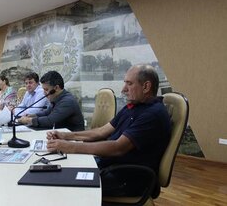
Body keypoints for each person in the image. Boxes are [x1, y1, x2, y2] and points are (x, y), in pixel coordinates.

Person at [46, 64, 171, 197]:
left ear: (146, 86)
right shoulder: (133, 106)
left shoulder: (152, 114)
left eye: (129, 84)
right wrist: (66, 136)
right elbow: (101, 132)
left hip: (129, 179)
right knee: (61, 172)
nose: (123, 89)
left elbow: (118, 148)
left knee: (64, 185)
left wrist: (69, 147)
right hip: (111, 166)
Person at [18, 71, 84, 132]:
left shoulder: (67, 101)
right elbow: (47, 112)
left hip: (73, 139)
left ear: (56, 88)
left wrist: (28, 120)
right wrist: (33, 115)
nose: (44, 93)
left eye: (46, 89)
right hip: (62, 135)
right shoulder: (57, 98)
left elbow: (50, 121)